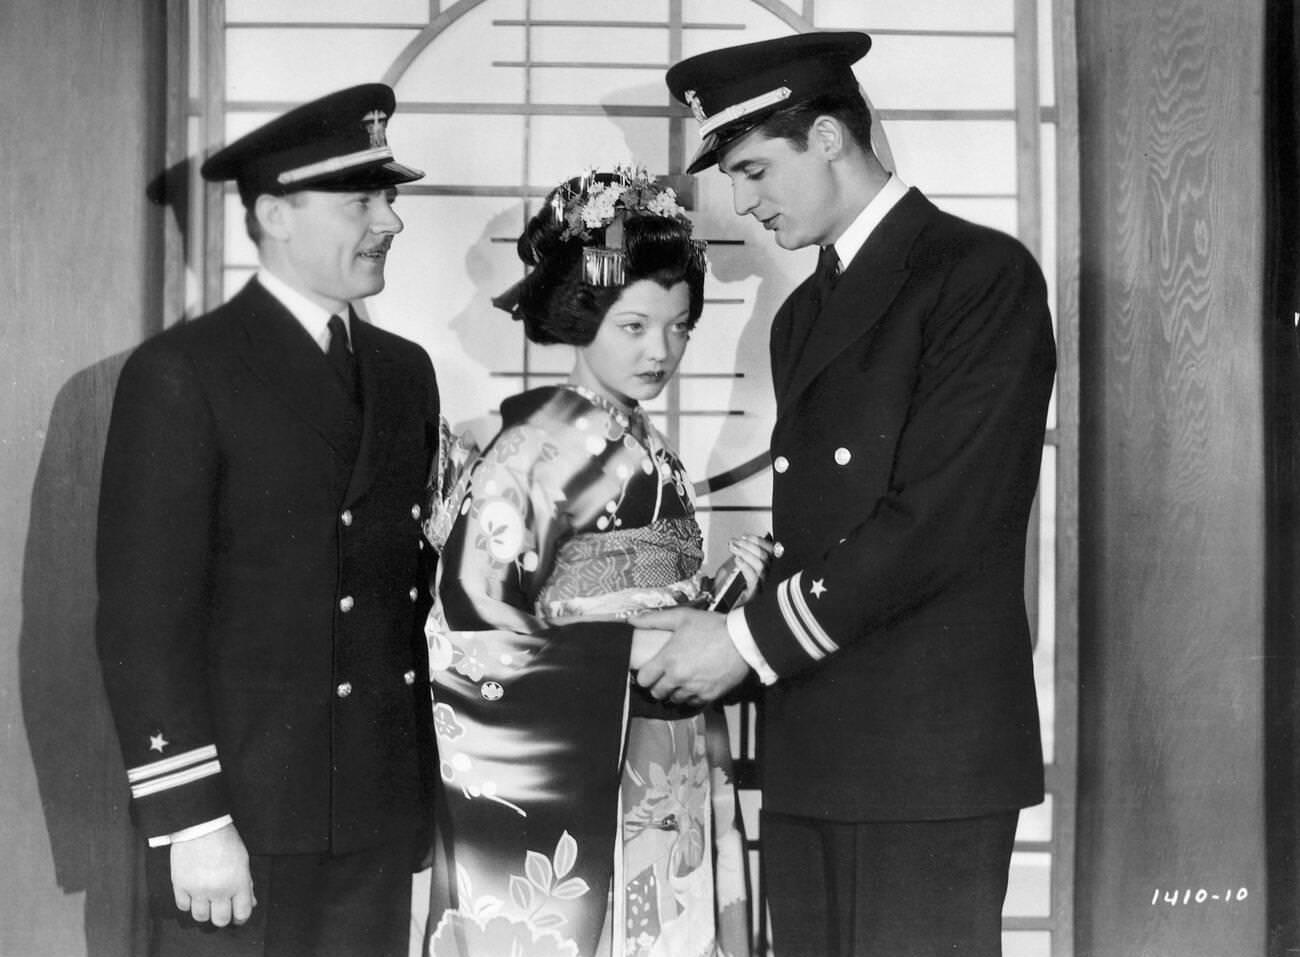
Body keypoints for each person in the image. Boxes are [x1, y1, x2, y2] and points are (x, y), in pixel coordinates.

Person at [631, 32, 1058, 957]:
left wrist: (744, 641)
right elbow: (825, 530)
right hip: (815, 744)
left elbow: (938, 521)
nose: (742, 203)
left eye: (752, 170)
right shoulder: (803, 314)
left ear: (827, 137)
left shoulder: (977, 277)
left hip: (926, 753)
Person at [96, 84, 440, 957]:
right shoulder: (185, 372)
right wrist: (191, 817)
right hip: (241, 823)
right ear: (275, 213)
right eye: (362, 199)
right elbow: (145, 620)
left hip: (374, 813)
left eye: (389, 197)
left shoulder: (406, 374)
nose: (389, 221)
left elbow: (407, 606)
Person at [422, 166, 769, 957]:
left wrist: (717, 601)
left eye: (680, 327)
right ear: (583, 315)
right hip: (584, 753)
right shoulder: (527, 450)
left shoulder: (653, 449)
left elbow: (652, 600)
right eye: (636, 326)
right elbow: (467, 635)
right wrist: (627, 647)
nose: (663, 351)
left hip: (666, 756)